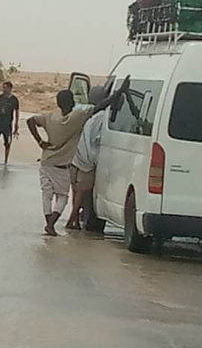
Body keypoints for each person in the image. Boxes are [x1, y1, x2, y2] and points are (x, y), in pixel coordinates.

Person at [27, 78, 129, 236]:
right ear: (72, 102)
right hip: (62, 167)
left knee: (46, 195)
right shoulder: (78, 117)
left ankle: (49, 223)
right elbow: (101, 106)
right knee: (62, 197)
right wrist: (119, 92)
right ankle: (51, 224)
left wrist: (40, 141)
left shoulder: (49, 117)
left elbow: (30, 121)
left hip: (46, 163)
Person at [66, 87, 109, 230]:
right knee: (81, 191)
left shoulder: (80, 109)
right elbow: (98, 138)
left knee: (75, 189)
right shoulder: (102, 116)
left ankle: (75, 220)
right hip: (87, 159)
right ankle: (72, 218)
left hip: (74, 155)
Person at [0, 81, 20, 165]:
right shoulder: (1, 97)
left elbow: (17, 112)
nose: (3, 89)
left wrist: (16, 125)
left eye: (5, 88)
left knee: (7, 142)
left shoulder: (14, 100)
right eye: (3, 87)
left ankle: (5, 160)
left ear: (10, 88)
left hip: (8, 124)